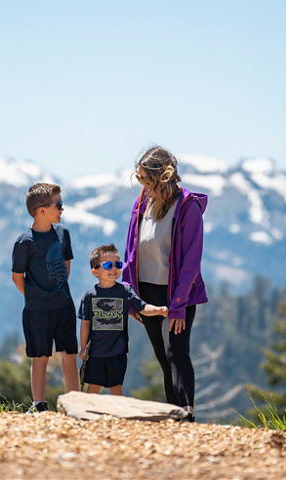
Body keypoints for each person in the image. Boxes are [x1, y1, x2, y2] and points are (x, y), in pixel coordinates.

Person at [123, 146, 208, 421]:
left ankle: (187, 413)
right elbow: (131, 251)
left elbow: (191, 262)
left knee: (177, 353)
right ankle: (173, 414)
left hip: (177, 294)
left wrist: (179, 305)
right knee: (162, 357)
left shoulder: (187, 206)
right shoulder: (141, 203)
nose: (143, 185)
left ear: (162, 177)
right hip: (146, 292)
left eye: (147, 179)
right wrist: (130, 298)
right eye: (140, 179)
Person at [11, 183, 79, 412]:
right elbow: (17, 277)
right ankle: (39, 404)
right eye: (58, 205)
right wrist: (33, 296)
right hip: (37, 310)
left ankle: (76, 403)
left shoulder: (63, 234)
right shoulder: (24, 242)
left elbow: (66, 266)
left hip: (64, 306)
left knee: (69, 354)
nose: (62, 209)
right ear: (41, 210)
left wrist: (57, 290)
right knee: (39, 356)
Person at [78, 244, 167, 395]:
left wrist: (158, 310)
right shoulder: (90, 295)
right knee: (93, 387)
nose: (114, 269)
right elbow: (85, 324)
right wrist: (83, 348)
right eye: (108, 265)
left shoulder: (124, 291)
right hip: (95, 353)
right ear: (95, 271)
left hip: (117, 352)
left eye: (118, 265)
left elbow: (142, 308)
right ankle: (87, 417)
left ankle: (119, 418)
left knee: (116, 387)